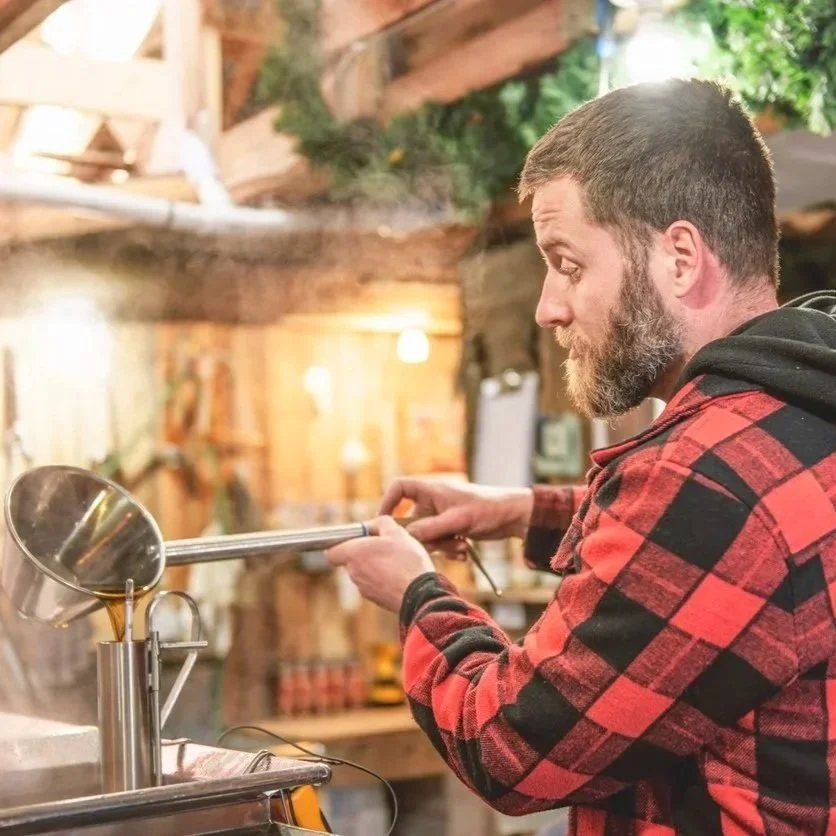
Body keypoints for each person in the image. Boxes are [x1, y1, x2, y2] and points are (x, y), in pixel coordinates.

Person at [327, 78, 836, 834]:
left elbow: (508, 744)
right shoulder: (801, 408)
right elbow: (727, 559)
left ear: (681, 258)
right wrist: (524, 510)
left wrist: (416, 595)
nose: (548, 306)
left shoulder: (708, 477)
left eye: (567, 263)